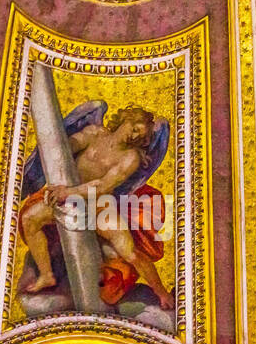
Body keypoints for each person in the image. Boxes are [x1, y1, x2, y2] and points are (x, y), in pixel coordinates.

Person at [18, 106, 173, 309]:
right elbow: (65, 147)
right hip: (71, 199)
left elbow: (103, 186)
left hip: (99, 206)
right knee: (30, 219)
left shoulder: (131, 158)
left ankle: (161, 293)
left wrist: (67, 192)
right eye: (134, 128)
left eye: (140, 136)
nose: (134, 136)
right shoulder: (94, 133)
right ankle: (47, 275)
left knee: (130, 252)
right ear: (125, 119)